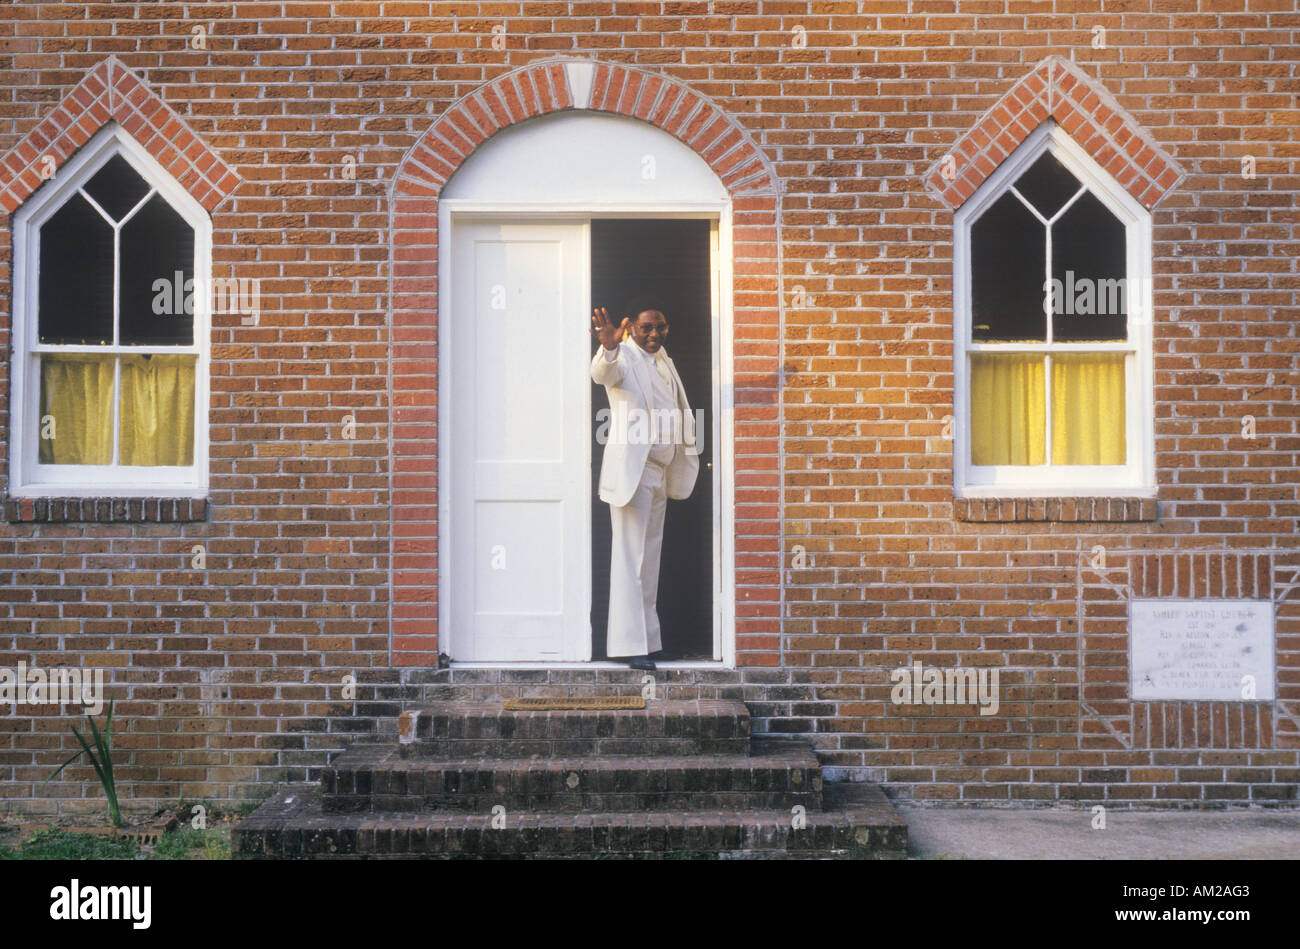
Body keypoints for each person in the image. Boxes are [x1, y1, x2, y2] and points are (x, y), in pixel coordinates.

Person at [589, 303, 700, 671]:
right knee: (629, 559)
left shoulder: (663, 360)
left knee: (649, 560)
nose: (654, 334)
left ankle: (649, 642)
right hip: (632, 472)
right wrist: (608, 346)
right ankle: (625, 645)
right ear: (631, 328)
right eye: (646, 328)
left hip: (658, 471)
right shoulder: (624, 357)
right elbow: (602, 373)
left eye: (660, 327)